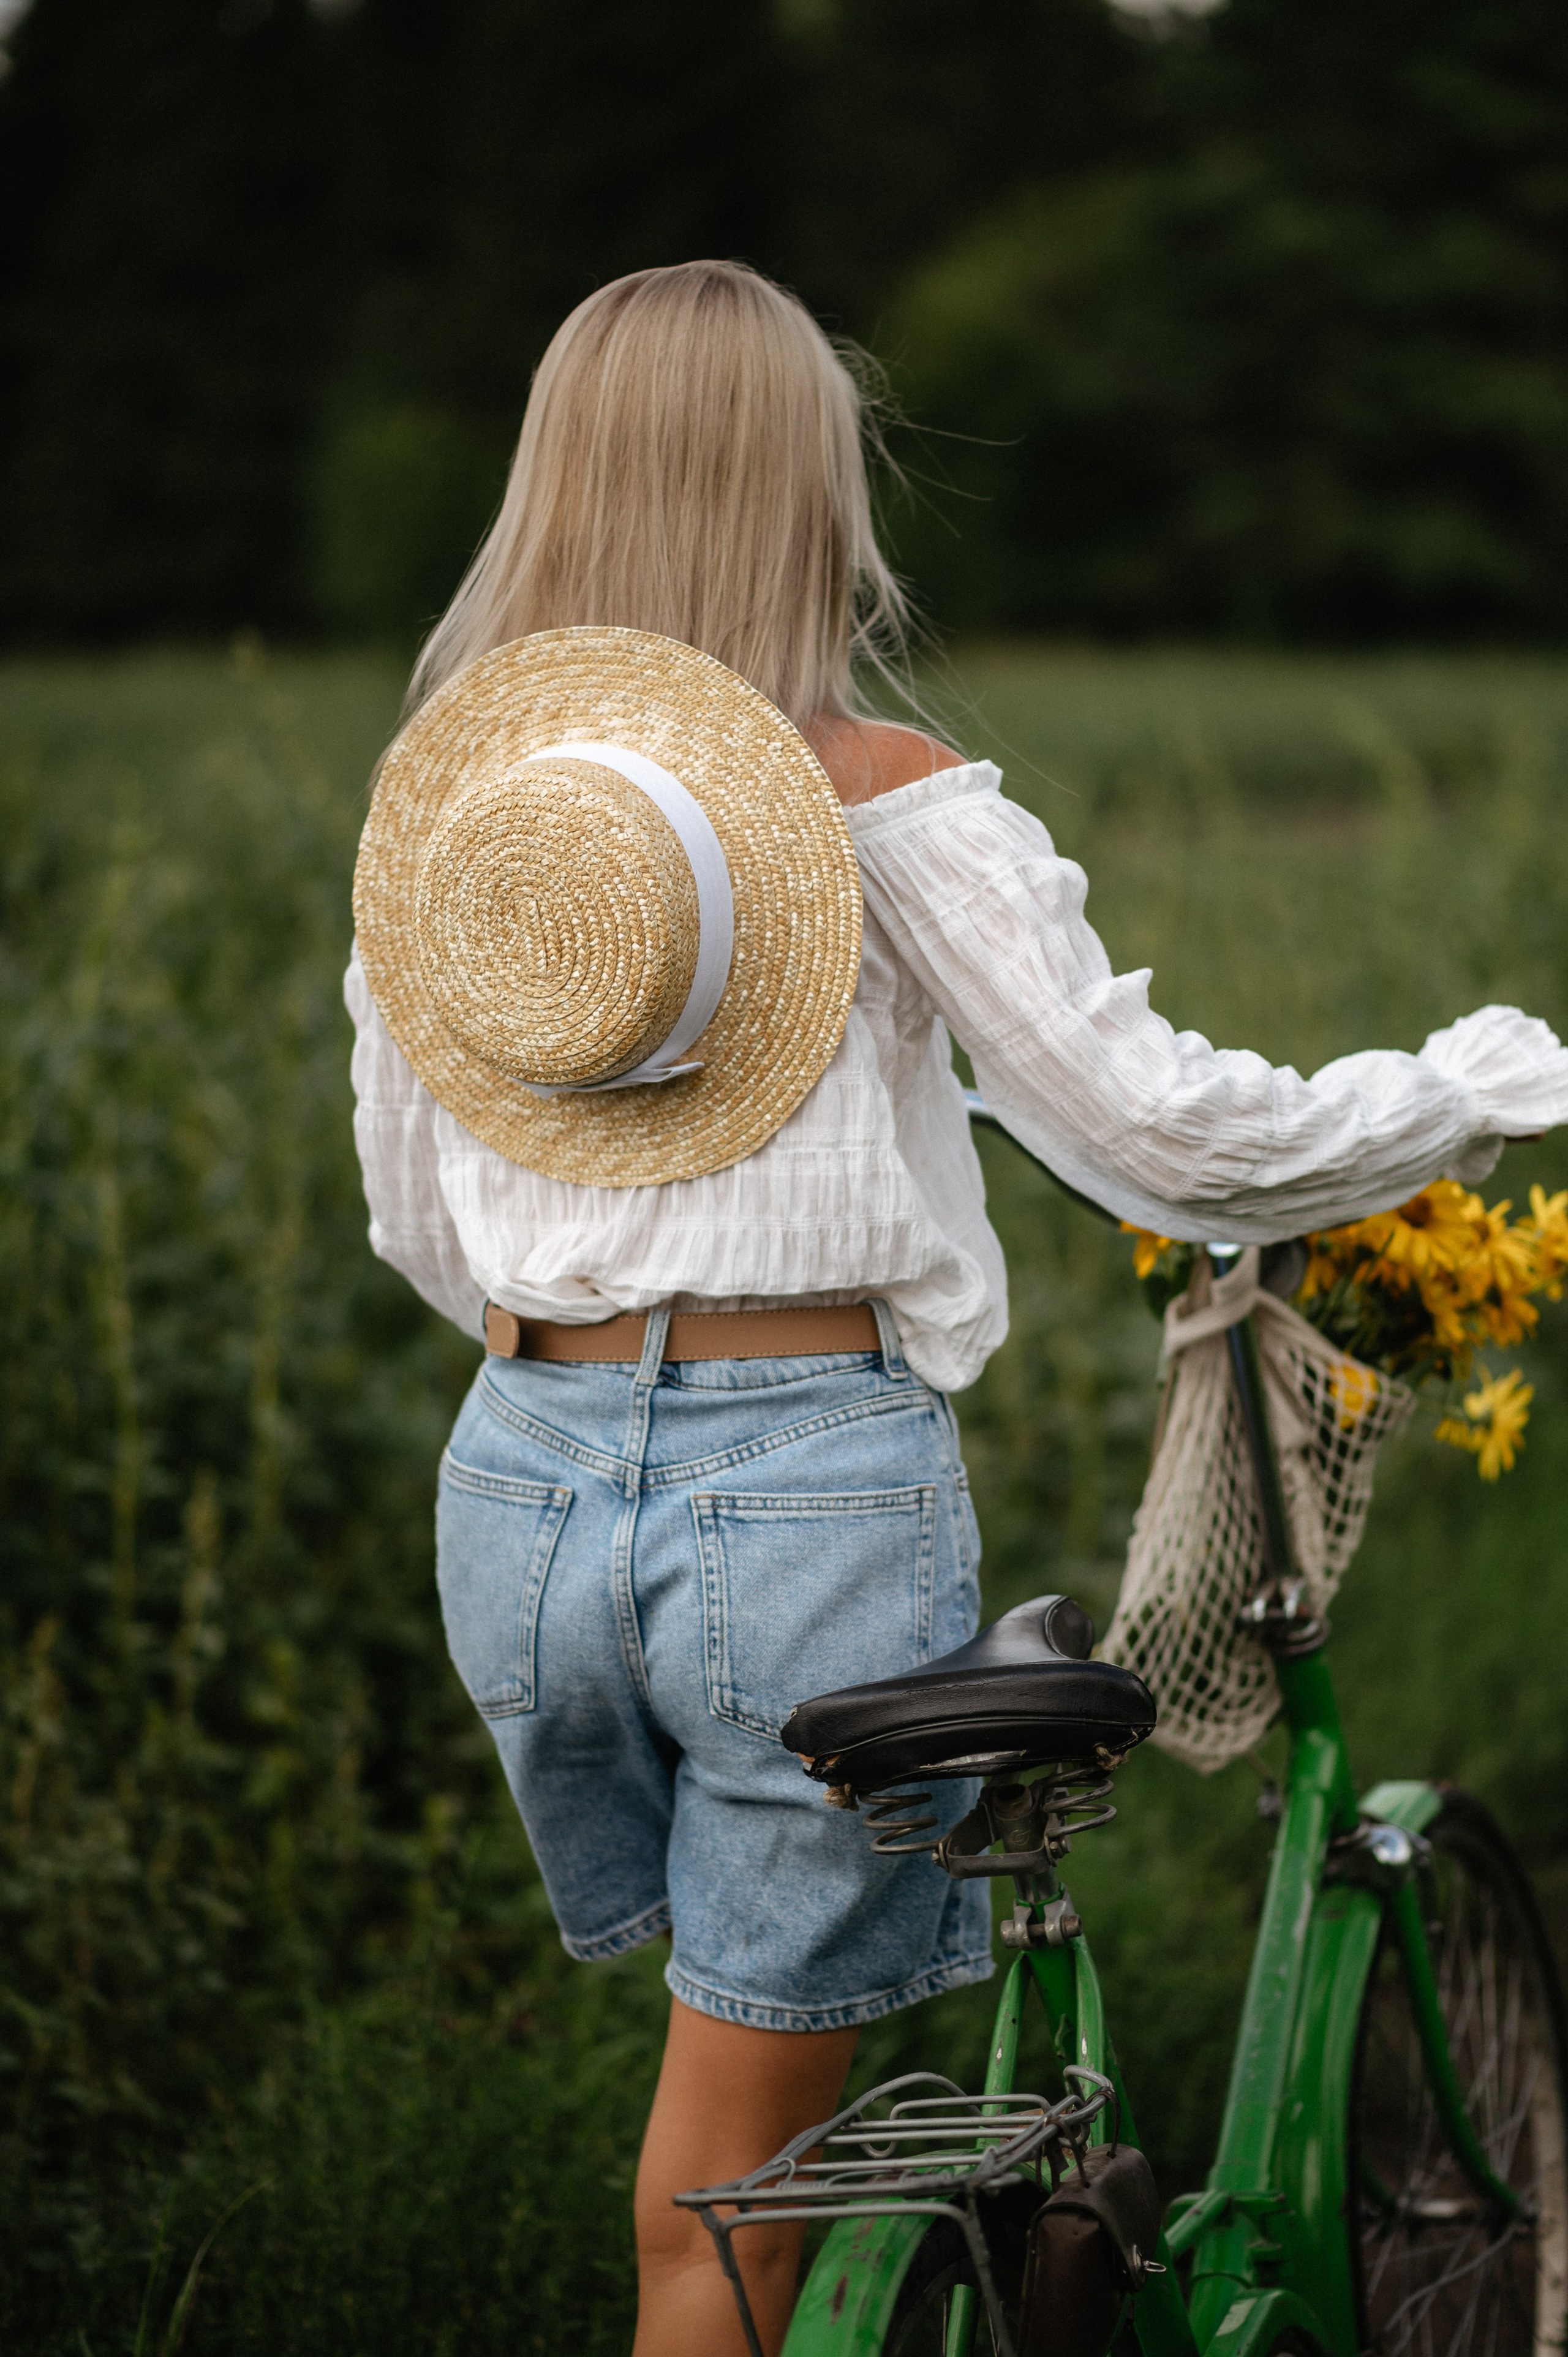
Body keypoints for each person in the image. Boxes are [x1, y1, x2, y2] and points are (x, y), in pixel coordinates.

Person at [345, 259, 1568, 2357]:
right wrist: (1468, 1084)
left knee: (719, 2086)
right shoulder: (870, 795)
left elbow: (414, 1218)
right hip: (798, 1504)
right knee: (724, 2220)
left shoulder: (459, 826)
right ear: (804, 493)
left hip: (519, 1496)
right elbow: (1170, 1138)